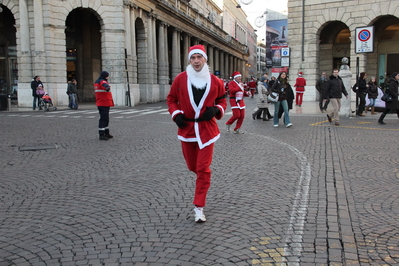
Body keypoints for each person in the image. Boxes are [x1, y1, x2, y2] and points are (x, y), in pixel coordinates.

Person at [166, 45, 227, 223]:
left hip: (207, 130)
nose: (196, 61)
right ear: (189, 60)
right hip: (187, 129)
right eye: (193, 58)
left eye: (199, 57)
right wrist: (176, 115)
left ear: (205, 59)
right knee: (192, 166)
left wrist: (217, 109)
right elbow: (171, 99)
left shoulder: (215, 81)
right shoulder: (180, 79)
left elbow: (222, 99)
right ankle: (203, 176)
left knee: (202, 169)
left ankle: (199, 207)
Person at [94, 71, 114, 140]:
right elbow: (104, 85)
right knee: (103, 119)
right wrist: (107, 87)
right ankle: (102, 134)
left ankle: (106, 132)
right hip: (104, 102)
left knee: (105, 118)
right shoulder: (102, 81)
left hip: (102, 102)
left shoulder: (97, 81)